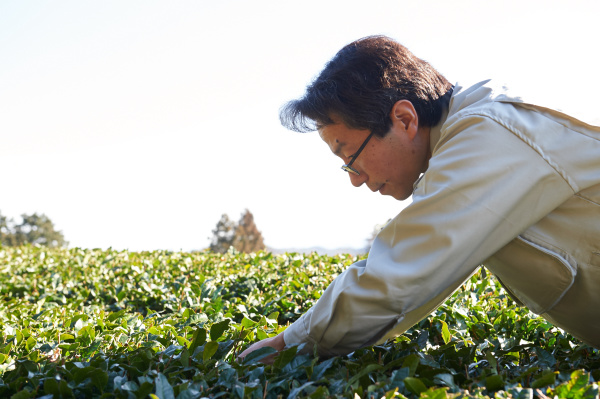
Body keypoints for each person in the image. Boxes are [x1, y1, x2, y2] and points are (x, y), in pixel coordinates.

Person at [239, 35, 600, 360]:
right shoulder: (471, 135)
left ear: (405, 119)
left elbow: (399, 274)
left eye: (350, 157)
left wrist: (285, 346)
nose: (355, 178)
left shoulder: (486, 135)